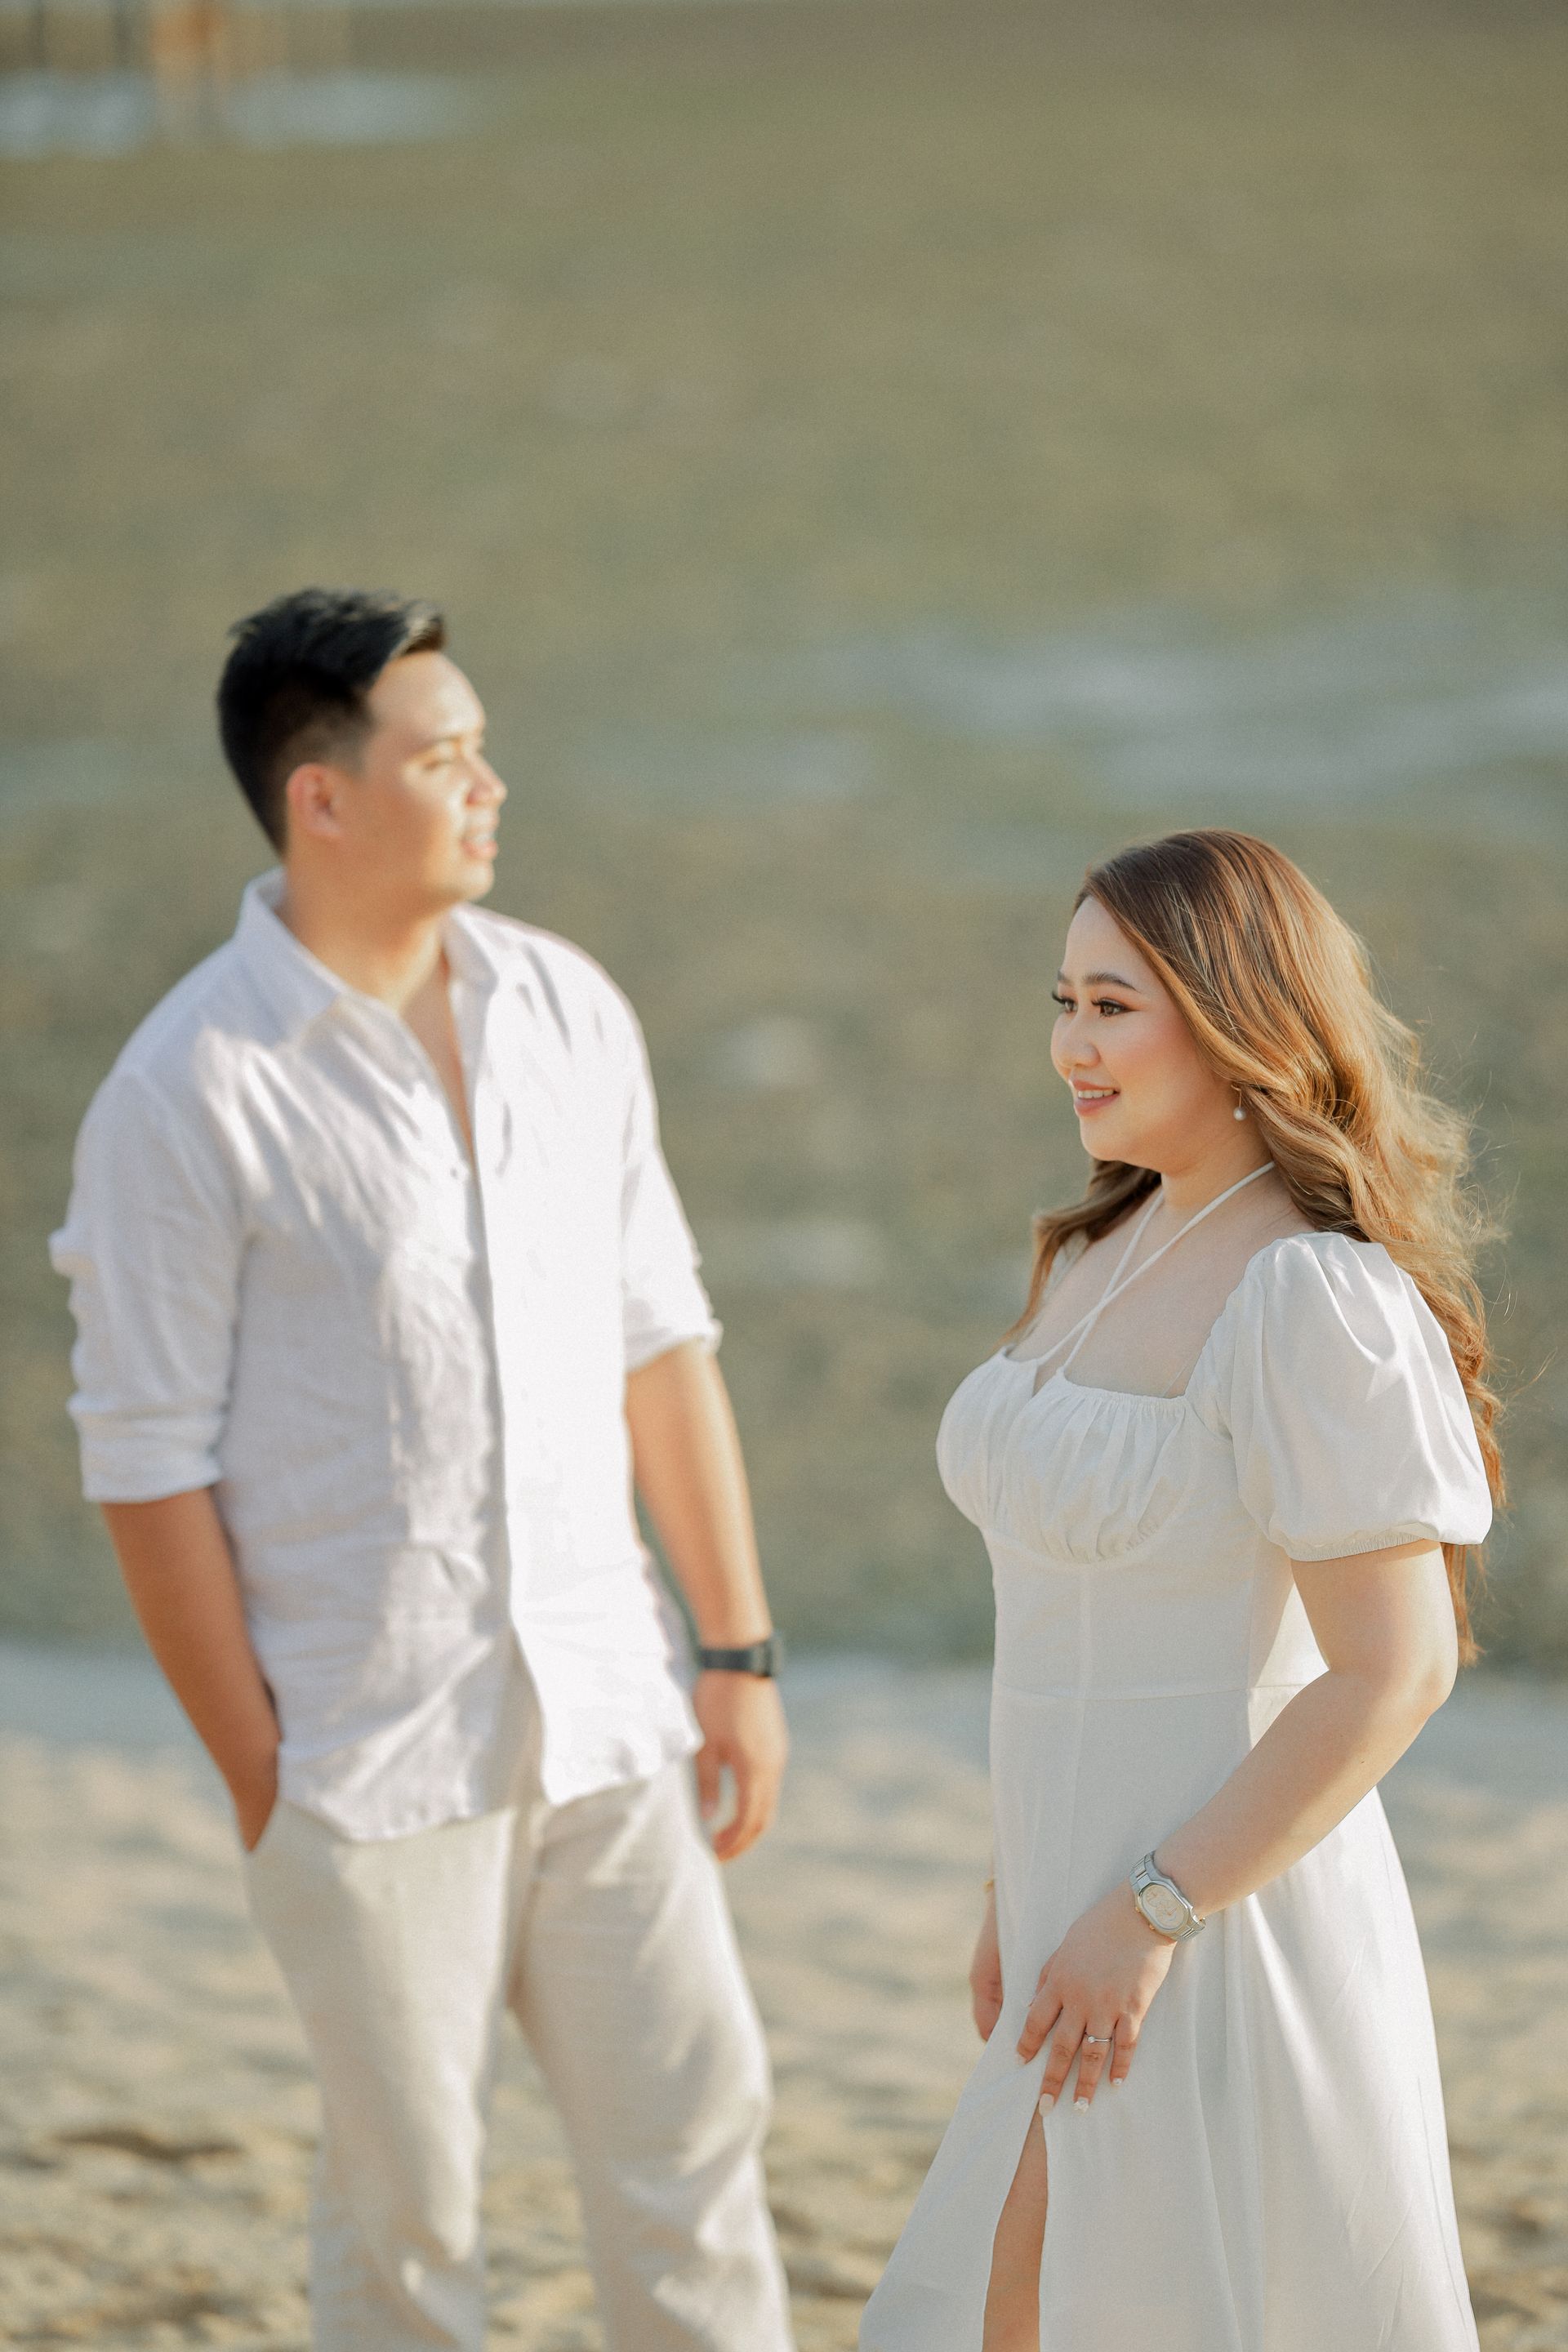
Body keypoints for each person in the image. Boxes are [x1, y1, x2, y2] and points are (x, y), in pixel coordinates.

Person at [50, 587, 796, 2352]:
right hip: (366, 1757)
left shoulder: (567, 1008)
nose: (490, 786)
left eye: (481, 750)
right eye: (446, 757)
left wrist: (738, 1652)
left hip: (609, 1710)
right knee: (411, 2224)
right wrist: (266, 1782)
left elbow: (659, 1342)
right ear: (321, 798)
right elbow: (146, 1468)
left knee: (698, 2148)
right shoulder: (188, 1091)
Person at [860, 828, 1499, 2352]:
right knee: (1025, 2301)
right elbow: (1068, 1624)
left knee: (1059, 2298)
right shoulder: (1101, 1243)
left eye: (1113, 1007)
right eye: (1063, 1002)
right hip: (1071, 1900)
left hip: (1219, 1905)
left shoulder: (1313, 1295)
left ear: (1232, 1020)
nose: (1071, 1046)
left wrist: (1150, 1912)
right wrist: (1017, 1888)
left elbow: (1395, 1670)